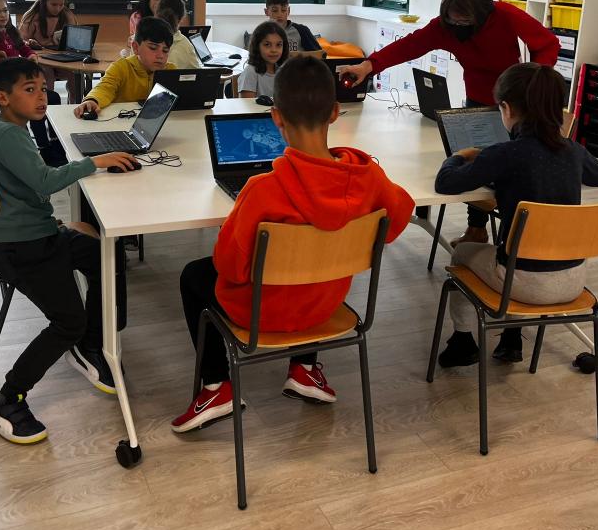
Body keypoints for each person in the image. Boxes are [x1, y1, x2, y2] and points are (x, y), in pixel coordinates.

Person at [171, 56, 415, 433]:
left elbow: (230, 267)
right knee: (314, 266)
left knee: (194, 275)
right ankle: (305, 368)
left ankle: (216, 387)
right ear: (335, 113)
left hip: (260, 315)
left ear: (276, 117)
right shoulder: (371, 180)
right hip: (325, 305)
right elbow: (398, 220)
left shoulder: (261, 191)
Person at [0, 57, 141, 445]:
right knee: (67, 322)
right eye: (29, 90)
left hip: (39, 235)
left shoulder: (10, 130)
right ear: (2, 98)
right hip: (21, 248)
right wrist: (94, 162)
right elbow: (45, 182)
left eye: (42, 88)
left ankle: (91, 344)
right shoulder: (8, 136)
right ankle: (6, 399)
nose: (41, 97)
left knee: (104, 256)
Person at [341, 0, 561, 247]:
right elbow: (409, 46)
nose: (457, 26)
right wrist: (369, 66)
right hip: (477, 98)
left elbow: (548, 44)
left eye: (464, 21)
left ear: (481, 14)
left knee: (517, 167)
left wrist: (534, 82)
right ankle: (476, 229)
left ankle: (521, 236)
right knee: (476, 163)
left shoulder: (506, 15)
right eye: (452, 20)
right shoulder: (444, 27)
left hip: (518, 101)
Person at [432, 62, 598, 368]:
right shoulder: (573, 150)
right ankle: (511, 338)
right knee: (521, 249)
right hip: (574, 280)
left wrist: (458, 156)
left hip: (522, 284)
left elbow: (446, 184)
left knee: (462, 252)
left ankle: (463, 342)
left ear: (506, 108)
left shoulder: (504, 153)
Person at [0, 0, 66, 166]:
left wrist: (31, 55)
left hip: (11, 86)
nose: (2, 15)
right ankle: (45, 148)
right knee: (35, 102)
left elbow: (24, 48)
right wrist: (13, 62)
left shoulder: (9, 32)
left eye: (5, 10)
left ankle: (55, 142)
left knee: (51, 98)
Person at [73, 16, 176, 117]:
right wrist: (92, 100)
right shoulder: (121, 68)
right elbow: (104, 88)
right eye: (153, 48)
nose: (160, 55)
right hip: (120, 121)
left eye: (165, 50)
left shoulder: (170, 71)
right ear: (136, 48)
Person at [18, 0, 81, 101]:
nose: (58, 8)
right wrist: (30, 43)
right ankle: (47, 106)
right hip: (40, 58)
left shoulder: (67, 14)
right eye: (53, 4)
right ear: (44, 1)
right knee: (47, 74)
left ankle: (75, 105)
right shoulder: (32, 16)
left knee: (75, 75)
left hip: (61, 57)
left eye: (61, 4)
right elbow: (21, 41)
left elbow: (76, 35)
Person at [237, 21, 288, 99]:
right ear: (257, 46)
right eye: (267, 45)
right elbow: (246, 105)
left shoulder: (284, 71)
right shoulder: (250, 72)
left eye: (278, 45)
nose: (274, 50)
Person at [155, 0, 202, 69]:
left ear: (156, 14)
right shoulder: (185, 45)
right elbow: (198, 73)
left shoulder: (144, 39)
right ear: (181, 19)